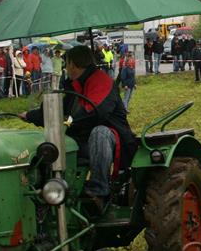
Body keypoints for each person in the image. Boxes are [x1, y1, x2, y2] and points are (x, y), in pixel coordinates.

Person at [18, 46, 137, 210]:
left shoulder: (101, 81)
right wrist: (31, 115)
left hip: (113, 140)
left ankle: (98, 191)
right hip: (82, 138)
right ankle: (49, 192)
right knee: (46, 145)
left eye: (66, 64)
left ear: (72, 64)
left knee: (99, 132)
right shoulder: (74, 85)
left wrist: (69, 122)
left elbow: (94, 112)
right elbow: (60, 110)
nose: (66, 68)